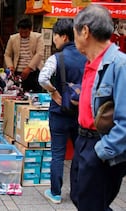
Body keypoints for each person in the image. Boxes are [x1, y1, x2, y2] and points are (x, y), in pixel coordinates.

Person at [70, 4, 126, 210]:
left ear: (85, 31)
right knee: (78, 196)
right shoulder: (91, 62)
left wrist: (102, 151)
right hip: (83, 140)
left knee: (91, 205)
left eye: (74, 33)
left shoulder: (120, 65)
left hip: (101, 145)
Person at [38, 18, 87, 204]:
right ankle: (76, 193)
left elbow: (43, 78)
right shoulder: (87, 56)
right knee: (79, 153)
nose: (54, 40)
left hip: (59, 113)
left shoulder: (56, 58)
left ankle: (56, 193)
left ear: (64, 36)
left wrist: (54, 93)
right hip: (80, 113)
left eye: (55, 36)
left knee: (57, 154)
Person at [4, 17, 44, 93]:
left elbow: (39, 54)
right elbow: (7, 55)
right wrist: (10, 67)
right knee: (18, 93)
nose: (23, 34)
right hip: (17, 72)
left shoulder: (38, 37)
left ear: (30, 29)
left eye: (26, 32)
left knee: (35, 94)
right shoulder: (13, 38)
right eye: (21, 32)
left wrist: (29, 68)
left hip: (34, 72)